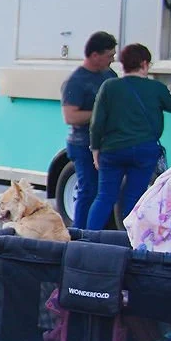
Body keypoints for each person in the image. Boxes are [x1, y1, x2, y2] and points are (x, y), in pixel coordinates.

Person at [87, 43, 171, 229]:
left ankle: (87, 239)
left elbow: (97, 123)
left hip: (112, 151)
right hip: (144, 151)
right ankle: (130, 243)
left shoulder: (109, 86)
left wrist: (95, 150)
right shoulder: (156, 88)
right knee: (134, 199)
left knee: (105, 197)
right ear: (145, 64)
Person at [61, 32, 119, 231]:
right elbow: (71, 116)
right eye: (109, 55)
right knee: (88, 190)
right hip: (82, 144)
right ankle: (79, 234)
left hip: (108, 144)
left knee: (106, 193)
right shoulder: (76, 81)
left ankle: (97, 235)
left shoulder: (110, 75)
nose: (113, 59)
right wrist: (100, 112)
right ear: (95, 55)